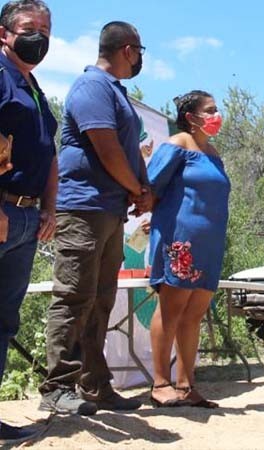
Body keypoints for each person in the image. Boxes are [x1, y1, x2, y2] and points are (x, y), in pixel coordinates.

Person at [39, 21, 151, 415]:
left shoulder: (117, 93)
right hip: (82, 209)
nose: (139, 60)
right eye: (139, 52)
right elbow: (106, 149)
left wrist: (144, 185)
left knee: (101, 300)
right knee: (73, 297)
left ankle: (95, 385)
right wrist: (137, 189)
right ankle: (57, 387)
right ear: (127, 50)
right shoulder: (91, 87)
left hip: (109, 210)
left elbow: (131, 149)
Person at [147, 91, 230, 408]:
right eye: (210, 110)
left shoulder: (212, 151)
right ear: (191, 116)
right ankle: (160, 383)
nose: (216, 115)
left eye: (216, 109)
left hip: (209, 243)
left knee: (194, 313)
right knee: (171, 310)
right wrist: (152, 221)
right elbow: (151, 186)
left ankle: (186, 385)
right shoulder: (178, 144)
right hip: (179, 240)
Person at [0, 0, 55, 442]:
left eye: (45, 29)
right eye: (28, 27)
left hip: (27, 215)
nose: (39, 36)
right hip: (1, 210)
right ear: (4, 34)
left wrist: (49, 209)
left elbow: (47, 152)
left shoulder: (32, 86)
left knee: (4, 321)